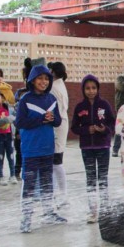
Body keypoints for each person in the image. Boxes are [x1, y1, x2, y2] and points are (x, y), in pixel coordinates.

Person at [15, 63, 64, 233]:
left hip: (47, 148)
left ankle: (49, 212)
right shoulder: (25, 100)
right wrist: (41, 119)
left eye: (46, 79)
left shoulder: (51, 99)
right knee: (29, 184)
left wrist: (51, 119)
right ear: (32, 80)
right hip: (30, 150)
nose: (43, 82)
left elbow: (58, 121)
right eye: (40, 79)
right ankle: (26, 217)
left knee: (47, 182)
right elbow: (19, 122)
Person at [71, 74, 115, 223]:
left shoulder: (105, 105)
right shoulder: (79, 107)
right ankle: (93, 211)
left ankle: (105, 210)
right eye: (88, 88)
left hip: (103, 146)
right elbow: (74, 128)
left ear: (98, 88)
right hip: (87, 148)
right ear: (83, 89)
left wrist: (104, 130)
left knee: (102, 178)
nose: (91, 91)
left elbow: (112, 123)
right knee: (90, 179)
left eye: (94, 88)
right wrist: (86, 130)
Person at [48, 61, 70, 206]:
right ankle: (58, 194)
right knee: (54, 162)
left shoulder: (54, 87)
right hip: (60, 123)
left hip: (58, 124)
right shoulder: (59, 85)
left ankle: (62, 195)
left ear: (54, 72)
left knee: (56, 162)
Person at [13, 59, 34, 182]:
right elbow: (17, 114)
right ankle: (17, 171)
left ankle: (26, 172)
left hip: (32, 128)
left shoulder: (41, 94)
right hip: (21, 127)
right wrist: (18, 131)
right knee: (20, 150)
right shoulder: (21, 93)